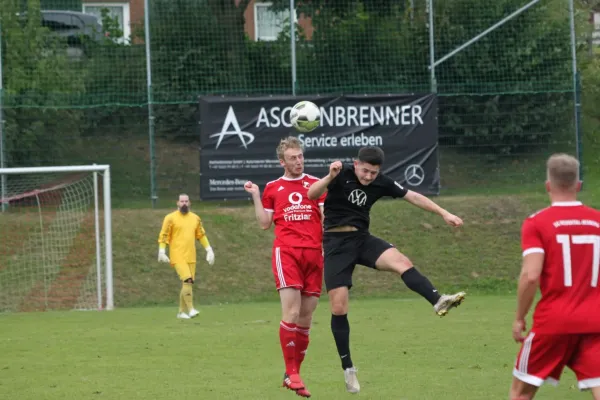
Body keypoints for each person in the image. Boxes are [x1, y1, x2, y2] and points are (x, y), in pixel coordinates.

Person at [307, 146, 466, 393]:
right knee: (339, 306)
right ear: (356, 163)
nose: (369, 177)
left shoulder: (381, 182)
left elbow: (413, 196)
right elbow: (311, 194)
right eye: (366, 171)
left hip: (362, 239)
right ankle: (348, 368)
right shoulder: (340, 173)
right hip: (336, 245)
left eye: (374, 173)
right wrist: (329, 176)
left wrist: (444, 212)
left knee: (402, 262)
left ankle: (437, 300)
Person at [510, 153, 600, 400]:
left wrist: (519, 317)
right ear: (578, 186)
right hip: (596, 322)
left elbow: (531, 275)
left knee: (520, 393)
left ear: (548, 185)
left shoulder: (537, 223)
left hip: (554, 323)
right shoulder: (598, 221)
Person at [244, 136, 327, 398]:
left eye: (301, 156)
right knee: (291, 312)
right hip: (287, 253)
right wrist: (256, 195)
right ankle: (292, 373)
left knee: (306, 318)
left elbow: (326, 219)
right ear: (282, 161)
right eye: (293, 157)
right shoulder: (272, 187)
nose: (299, 161)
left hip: (314, 253)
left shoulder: (316, 184)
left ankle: (292, 372)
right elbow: (264, 223)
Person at [157, 194, 215, 319]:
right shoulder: (170, 218)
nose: (184, 203)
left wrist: (209, 250)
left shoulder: (195, 218)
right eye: (182, 201)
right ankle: (191, 309)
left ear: (189, 203)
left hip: (191, 256)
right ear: (177, 203)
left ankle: (181, 312)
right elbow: (164, 235)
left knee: (187, 283)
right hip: (177, 255)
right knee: (187, 279)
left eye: (186, 201)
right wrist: (161, 251)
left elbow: (201, 235)